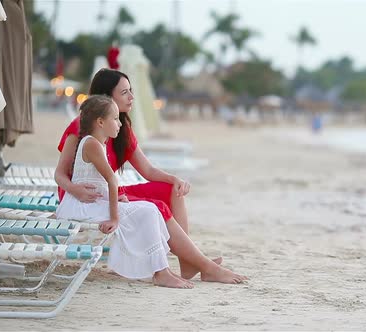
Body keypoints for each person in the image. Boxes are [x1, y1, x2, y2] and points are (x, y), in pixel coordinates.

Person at [55, 69, 246, 283]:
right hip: (85, 197)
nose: (131, 97)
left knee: (171, 190)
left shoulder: (121, 128)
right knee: (158, 207)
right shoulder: (80, 128)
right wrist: (75, 190)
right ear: (107, 98)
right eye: (125, 92)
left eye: (131, 91)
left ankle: (188, 262)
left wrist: (174, 179)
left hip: (110, 191)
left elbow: (147, 171)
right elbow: (60, 175)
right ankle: (206, 267)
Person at [56, 95, 192, 288]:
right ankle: (160, 272)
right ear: (101, 122)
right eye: (115, 119)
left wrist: (117, 199)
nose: (120, 124)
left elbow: (97, 183)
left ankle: (163, 270)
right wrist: (114, 218)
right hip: (80, 207)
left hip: (91, 204)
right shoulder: (92, 144)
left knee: (150, 210)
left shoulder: (96, 144)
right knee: (148, 211)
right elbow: (112, 179)